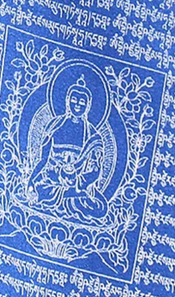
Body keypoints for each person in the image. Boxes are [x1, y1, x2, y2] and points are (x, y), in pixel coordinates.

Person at [25, 77, 111, 223]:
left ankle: (63, 197)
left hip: (76, 188)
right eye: (74, 100)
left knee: (99, 208)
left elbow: (96, 171)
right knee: (41, 189)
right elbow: (43, 160)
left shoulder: (92, 135)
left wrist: (77, 181)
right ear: (67, 102)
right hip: (52, 182)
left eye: (82, 102)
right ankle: (57, 196)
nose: (77, 105)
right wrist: (31, 180)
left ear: (88, 106)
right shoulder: (54, 126)